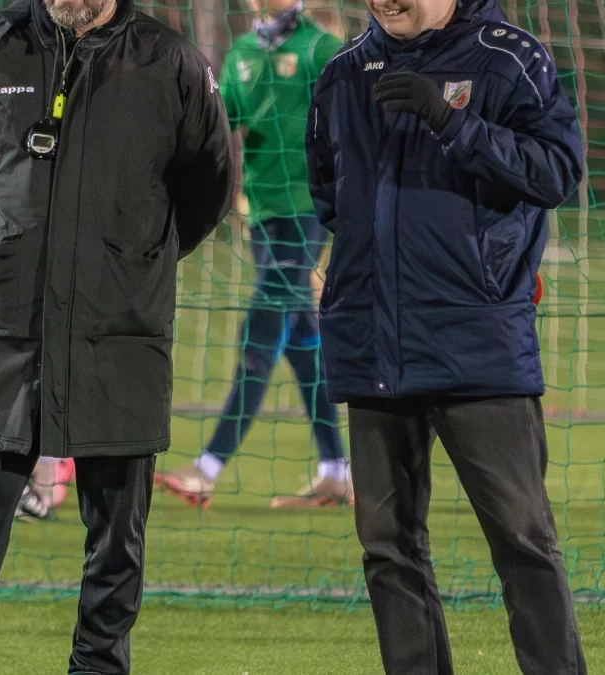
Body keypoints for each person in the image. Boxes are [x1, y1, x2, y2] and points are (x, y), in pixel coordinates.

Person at [0, 0, 232, 671]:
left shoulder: (171, 63)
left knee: (117, 539)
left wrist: (127, 265)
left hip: (118, 334)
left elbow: (207, 190)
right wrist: (2, 260)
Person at [306, 0, 586, 673]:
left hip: (477, 342)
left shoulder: (510, 58)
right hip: (374, 344)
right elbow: (331, 197)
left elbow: (557, 172)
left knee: (522, 540)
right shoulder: (343, 74)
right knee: (387, 547)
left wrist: (453, 122)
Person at [154, 0, 349, 510]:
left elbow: (349, 128)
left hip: (306, 208)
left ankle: (208, 467)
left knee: (260, 330)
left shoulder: (322, 48)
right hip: (262, 212)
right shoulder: (242, 50)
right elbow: (224, 121)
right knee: (302, 341)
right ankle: (337, 470)